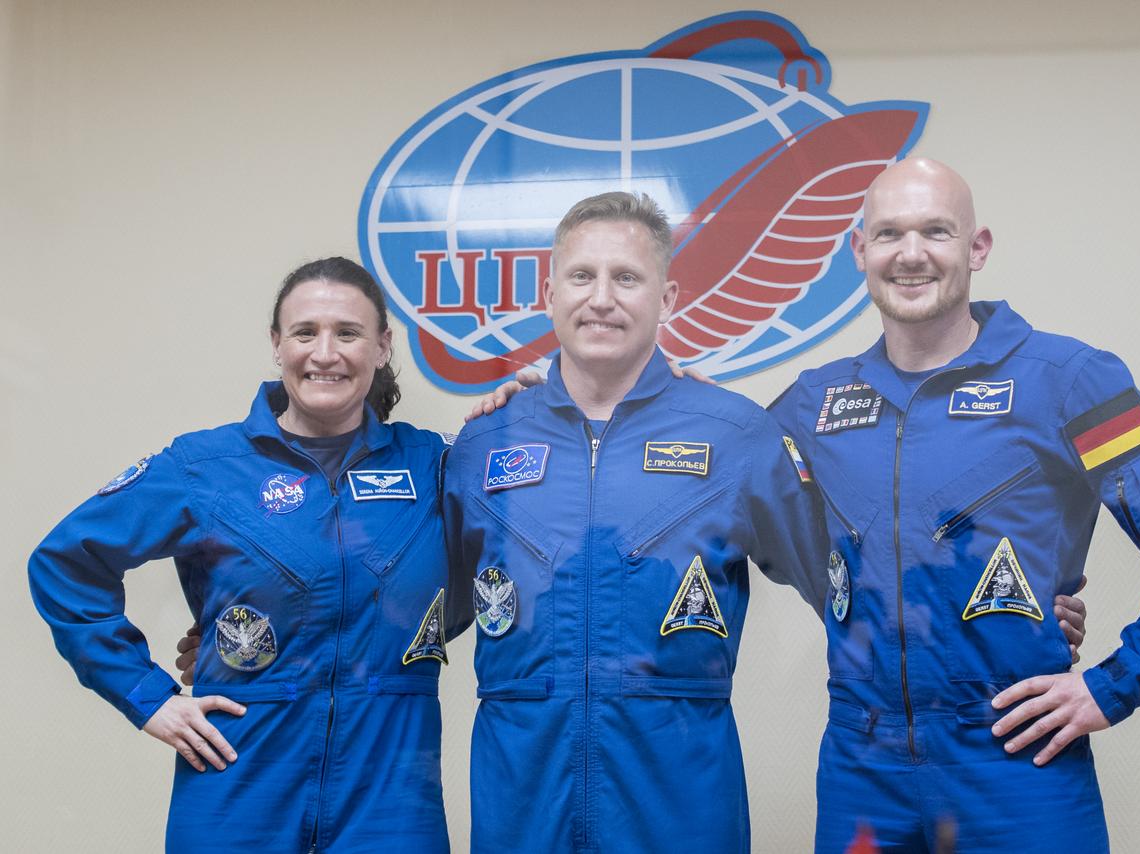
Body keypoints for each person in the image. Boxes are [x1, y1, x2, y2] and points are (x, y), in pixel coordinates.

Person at [767, 158, 1140, 852]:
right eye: (889, 234)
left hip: (1014, 757)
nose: (911, 254)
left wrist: (1116, 685)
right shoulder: (814, 404)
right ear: (859, 250)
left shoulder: (1071, 382)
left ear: (978, 248)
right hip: (861, 766)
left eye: (937, 231)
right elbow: (727, 495)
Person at [441, 192, 831, 853]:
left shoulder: (735, 436)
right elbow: (396, 617)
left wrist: (1001, 658)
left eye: (626, 277)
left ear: (667, 297)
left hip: (679, 817)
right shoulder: (482, 448)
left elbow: (859, 594)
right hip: (523, 815)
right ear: (549, 294)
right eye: (582, 276)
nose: (601, 299)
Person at [29, 257, 455, 852]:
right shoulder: (205, 467)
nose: (325, 353)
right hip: (239, 783)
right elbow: (64, 563)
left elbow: (506, 561)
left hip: (391, 796)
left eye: (348, 333)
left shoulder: (434, 465)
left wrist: (524, 408)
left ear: (382, 346)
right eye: (305, 332)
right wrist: (148, 698)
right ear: (277, 344)